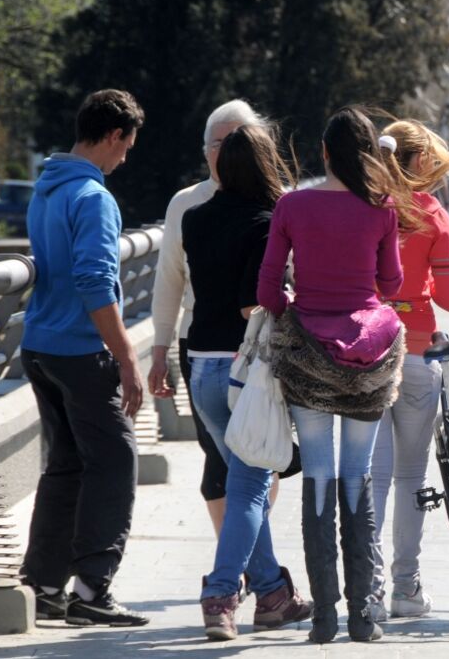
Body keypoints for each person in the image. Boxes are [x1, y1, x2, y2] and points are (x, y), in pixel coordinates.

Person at [258, 106, 407, 643]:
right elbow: (391, 284)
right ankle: (364, 618)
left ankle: (323, 617)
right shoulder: (382, 209)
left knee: (317, 476)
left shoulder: (292, 206)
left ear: (323, 151)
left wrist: (294, 305)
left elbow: (268, 289)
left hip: (308, 359)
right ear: (367, 155)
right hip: (370, 358)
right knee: (358, 477)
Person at [19, 89, 149, 626]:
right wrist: (127, 359)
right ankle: (92, 591)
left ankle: (45, 584)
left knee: (66, 464)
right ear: (114, 135)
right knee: (116, 461)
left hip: (38, 346)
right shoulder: (93, 198)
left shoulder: (46, 188)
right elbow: (97, 282)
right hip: (79, 349)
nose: (124, 159)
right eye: (126, 148)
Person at [190, 124, 312, 641]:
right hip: (247, 373)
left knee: (247, 487)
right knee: (250, 487)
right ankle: (220, 596)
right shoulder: (267, 221)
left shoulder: (194, 220)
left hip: (200, 369)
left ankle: (272, 593)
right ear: (266, 165)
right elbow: (251, 303)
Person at [148, 99, 273, 534]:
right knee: (217, 456)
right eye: (220, 142)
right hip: (199, 344)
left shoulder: (278, 203)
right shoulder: (187, 205)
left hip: (263, 347)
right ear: (205, 151)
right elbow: (168, 280)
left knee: (264, 450)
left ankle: (249, 550)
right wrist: (159, 350)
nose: (228, 150)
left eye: (240, 140)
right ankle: (235, 559)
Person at [369, 120, 449, 621]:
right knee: (410, 477)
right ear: (422, 162)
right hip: (419, 350)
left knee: (374, 477)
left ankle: (369, 591)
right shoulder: (432, 214)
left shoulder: (365, 209)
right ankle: (406, 589)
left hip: (364, 356)